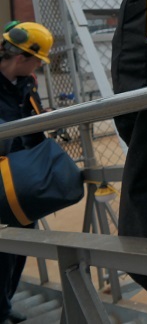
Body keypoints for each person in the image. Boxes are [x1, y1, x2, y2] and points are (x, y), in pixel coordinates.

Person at [0, 21, 54, 324]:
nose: (38, 66)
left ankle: (5, 302)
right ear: (23, 57)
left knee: (22, 242)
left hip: (22, 176)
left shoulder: (26, 84)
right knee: (3, 248)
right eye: (38, 59)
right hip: (1, 177)